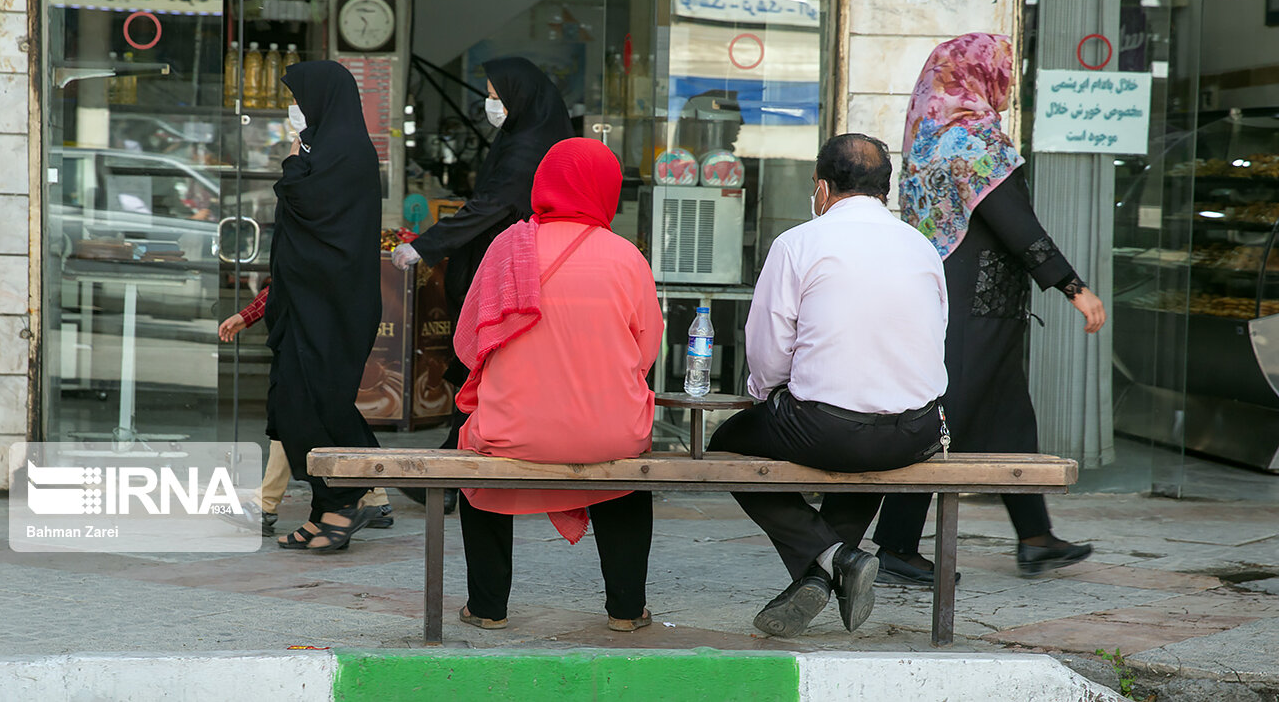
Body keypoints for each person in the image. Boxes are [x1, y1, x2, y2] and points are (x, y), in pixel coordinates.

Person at [875, 32, 1106, 586]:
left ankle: (1035, 538)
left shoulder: (928, 139)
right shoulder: (973, 143)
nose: (1006, 81)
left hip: (962, 302)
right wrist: (1073, 287)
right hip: (973, 310)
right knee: (941, 420)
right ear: (980, 76)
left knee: (1008, 419)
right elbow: (1016, 224)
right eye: (1002, 70)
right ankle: (896, 546)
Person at [706, 134, 949, 638]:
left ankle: (833, 560)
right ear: (888, 189)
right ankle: (828, 569)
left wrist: (771, 396)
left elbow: (768, 350)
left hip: (828, 430)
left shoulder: (799, 243)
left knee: (725, 447)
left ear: (821, 188)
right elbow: (934, 335)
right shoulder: (923, 246)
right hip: (915, 434)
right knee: (864, 451)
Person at [450, 137, 662, 632]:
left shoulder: (508, 246)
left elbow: (467, 344)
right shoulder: (627, 257)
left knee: (474, 469)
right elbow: (646, 354)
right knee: (627, 479)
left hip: (513, 433)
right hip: (611, 434)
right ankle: (627, 611)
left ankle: (487, 608)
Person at [391, 57, 576, 512]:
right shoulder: (522, 136)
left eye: (496, 96)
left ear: (518, 98)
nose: (490, 104)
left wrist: (428, 246)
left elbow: (491, 206)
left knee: (486, 365)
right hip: (503, 263)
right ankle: (456, 470)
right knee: (486, 367)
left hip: (507, 270)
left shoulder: (528, 146)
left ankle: (456, 473)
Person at [266, 60, 386, 553]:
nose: (293, 110)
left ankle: (346, 501)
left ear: (321, 101)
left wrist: (295, 160)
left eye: (297, 100)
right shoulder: (325, 149)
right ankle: (322, 507)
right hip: (304, 301)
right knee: (291, 404)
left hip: (335, 306)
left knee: (321, 404)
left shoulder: (349, 152)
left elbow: (304, 200)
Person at [217, 282, 393, 536]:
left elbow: (292, 278)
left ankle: (264, 506)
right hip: (319, 334)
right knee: (319, 415)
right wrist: (249, 315)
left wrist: (249, 315)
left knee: (299, 413)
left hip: (315, 337)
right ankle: (375, 497)